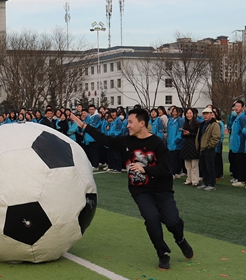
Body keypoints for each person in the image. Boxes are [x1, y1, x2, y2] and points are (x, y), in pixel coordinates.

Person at [68, 107, 192, 270]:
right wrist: (83, 125)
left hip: (162, 189)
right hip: (140, 190)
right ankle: (162, 253)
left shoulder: (157, 143)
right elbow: (105, 139)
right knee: (152, 219)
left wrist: (145, 169)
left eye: (131, 122)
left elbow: (165, 168)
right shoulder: (126, 141)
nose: (127, 125)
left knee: (172, 221)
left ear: (142, 123)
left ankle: (180, 239)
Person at [197, 107, 221, 191]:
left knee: (210, 167)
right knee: (203, 167)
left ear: (211, 114)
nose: (205, 116)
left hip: (209, 149)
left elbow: (216, 137)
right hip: (202, 148)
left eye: (207, 114)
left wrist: (209, 146)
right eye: (204, 114)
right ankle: (205, 182)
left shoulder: (214, 124)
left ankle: (211, 184)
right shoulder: (202, 124)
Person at [180, 108, 201, 186]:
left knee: (194, 165)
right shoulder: (185, 123)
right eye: (187, 113)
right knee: (188, 165)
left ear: (193, 114)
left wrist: (190, 134)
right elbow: (182, 135)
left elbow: (198, 135)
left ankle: (195, 181)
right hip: (186, 145)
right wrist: (184, 134)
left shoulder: (197, 124)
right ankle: (189, 179)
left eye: (190, 113)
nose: (189, 115)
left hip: (194, 145)